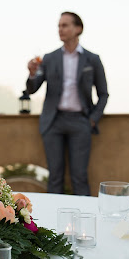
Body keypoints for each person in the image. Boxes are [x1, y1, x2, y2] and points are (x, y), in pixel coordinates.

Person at [26, 12, 108, 196]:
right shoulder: (49, 58)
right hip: (53, 122)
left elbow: (103, 94)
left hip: (81, 122)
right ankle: (51, 224)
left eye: (65, 25)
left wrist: (93, 120)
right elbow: (33, 88)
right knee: (54, 177)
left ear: (78, 29)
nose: (60, 29)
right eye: (59, 26)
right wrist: (32, 73)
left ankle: (85, 221)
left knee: (79, 177)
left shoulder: (92, 59)